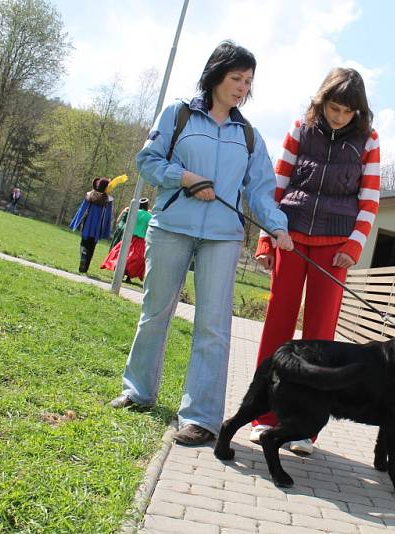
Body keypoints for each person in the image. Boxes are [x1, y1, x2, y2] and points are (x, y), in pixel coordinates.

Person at [109, 41, 293, 447]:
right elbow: (148, 161)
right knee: (155, 312)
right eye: (236, 78)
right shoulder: (178, 114)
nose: (242, 87)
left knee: (213, 326)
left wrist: (278, 227)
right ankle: (138, 391)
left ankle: (202, 417)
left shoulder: (248, 136)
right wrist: (186, 178)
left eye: (248, 81)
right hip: (172, 225)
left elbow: (261, 191)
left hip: (223, 238)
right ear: (216, 76)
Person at [249, 67, 381, 455]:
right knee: (277, 328)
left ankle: (305, 429)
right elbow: (277, 184)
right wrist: (266, 238)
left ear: (359, 112)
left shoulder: (368, 141)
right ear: (321, 102)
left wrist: (354, 246)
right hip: (289, 238)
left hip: (335, 247)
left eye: (347, 111)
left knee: (320, 340)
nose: (339, 117)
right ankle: (264, 417)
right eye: (333, 108)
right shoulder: (299, 129)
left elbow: (370, 199)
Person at [100, 198, 152, 283]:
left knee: (121, 253)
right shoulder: (150, 216)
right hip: (141, 240)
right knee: (136, 258)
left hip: (129, 238)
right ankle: (128, 276)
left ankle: (120, 271)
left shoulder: (134, 212)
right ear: (147, 206)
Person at [69, 178, 113, 273]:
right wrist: (105, 229)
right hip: (97, 227)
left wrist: (76, 222)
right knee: (92, 247)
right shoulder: (108, 200)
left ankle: (83, 255)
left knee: (84, 243)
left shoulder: (90, 196)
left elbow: (82, 209)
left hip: (87, 224)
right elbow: (108, 216)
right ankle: (85, 268)